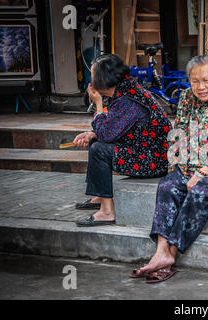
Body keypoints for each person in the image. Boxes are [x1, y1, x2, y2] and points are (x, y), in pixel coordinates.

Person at [130, 55, 208, 283]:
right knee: (167, 185)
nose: (201, 86)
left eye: (206, 80)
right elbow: (180, 133)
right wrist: (176, 165)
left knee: (199, 191)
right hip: (191, 163)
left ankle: (170, 256)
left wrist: (202, 172)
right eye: (195, 81)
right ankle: (160, 252)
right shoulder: (186, 98)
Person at [73, 54, 171, 227]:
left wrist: (98, 104)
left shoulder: (127, 99)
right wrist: (91, 133)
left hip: (153, 161)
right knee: (96, 142)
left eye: (93, 75)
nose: (90, 80)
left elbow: (107, 134)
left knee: (99, 149)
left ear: (103, 79)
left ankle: (107, 212)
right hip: (144, 150)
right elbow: (113, 126)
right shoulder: (123, 90)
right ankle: (100, 196)